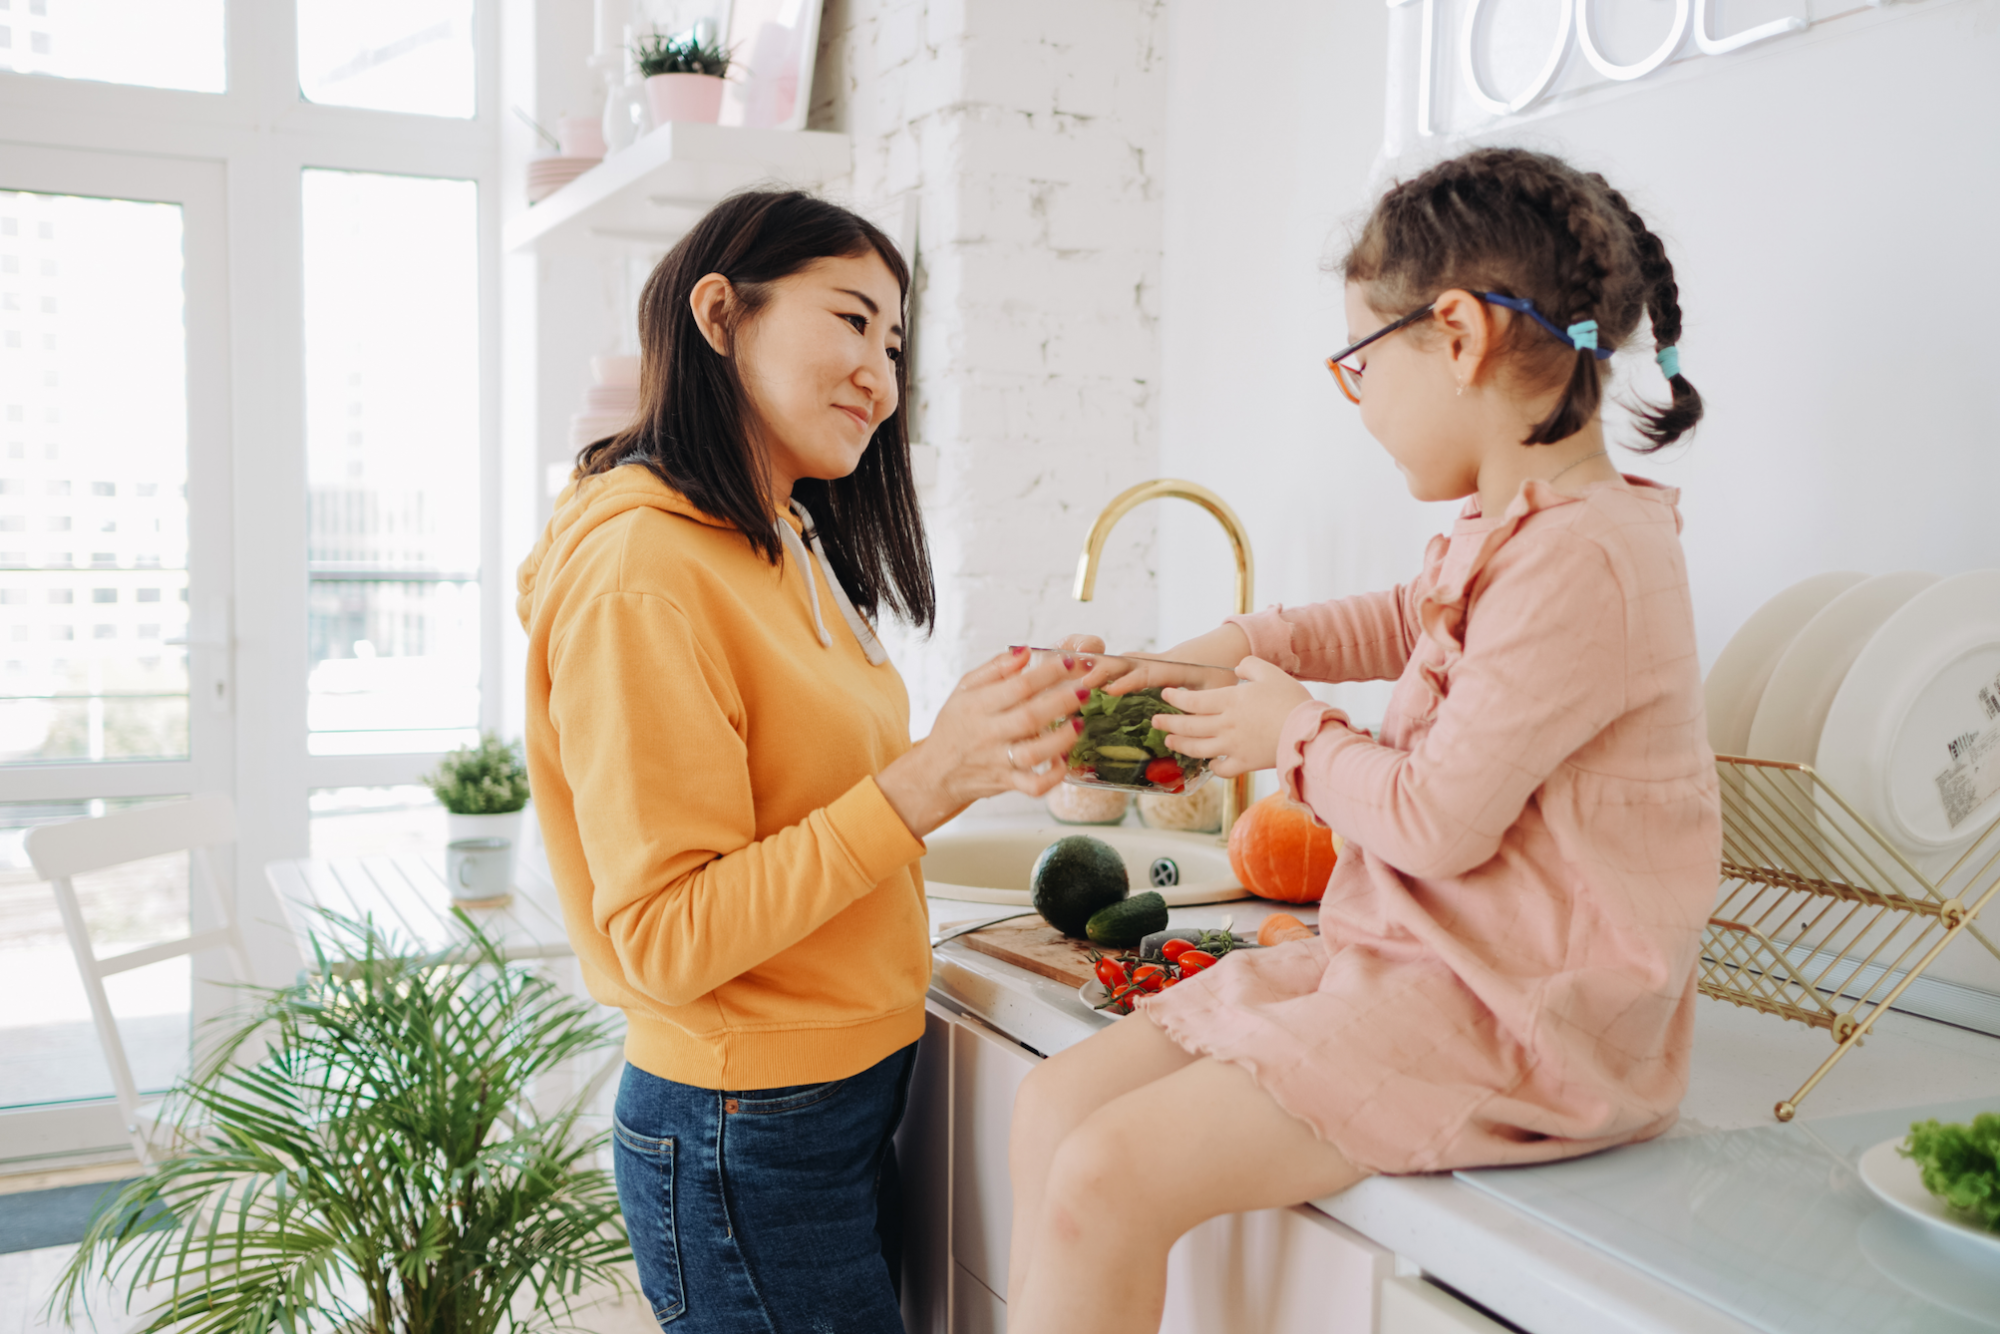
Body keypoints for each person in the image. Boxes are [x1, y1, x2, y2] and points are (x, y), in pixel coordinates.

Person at [1009, 147, 1722, 1331]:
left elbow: (1437, 820)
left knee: (1104, 1172)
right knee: (1055, 1107)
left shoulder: (1587, 555)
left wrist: (1287, 730)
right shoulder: (1512, 526)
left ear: (1454, 337)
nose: (1358, 400)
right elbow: (1391, 619)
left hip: (1516, 1015)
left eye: (1358, 362)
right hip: (1412, 963)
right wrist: (1221, 643)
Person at [516, 191, 1087, 1333]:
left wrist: (981, 743)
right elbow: (665, 935)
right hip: (744, 1133)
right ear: (721, 313)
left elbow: (822, 801)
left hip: (822, 1105)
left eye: (893, 341)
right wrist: (932, 776)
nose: (879, 372)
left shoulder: (781, 535)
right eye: (850, 319)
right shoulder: (643, 573)